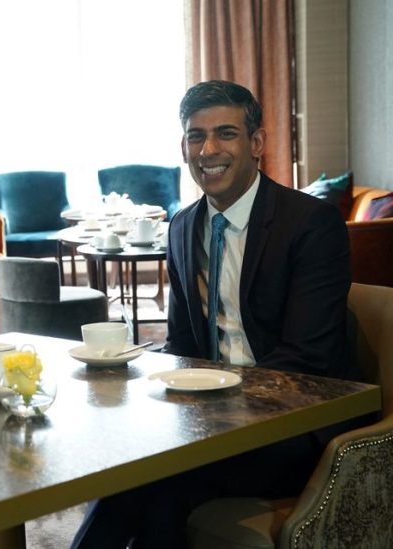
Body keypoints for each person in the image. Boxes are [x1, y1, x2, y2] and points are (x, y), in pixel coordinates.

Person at [71, 80, 355, 548]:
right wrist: (133, 378)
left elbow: (309, 362)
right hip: (210, 420)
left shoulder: (310, 224)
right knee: (125, 467)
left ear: (256, 143)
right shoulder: (182, 226)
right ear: (183, 147)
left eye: (226, 133)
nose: (209, 149)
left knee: (157, 478)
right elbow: (182, 345)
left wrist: (214, 413)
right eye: (196, 136)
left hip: (296, 423)